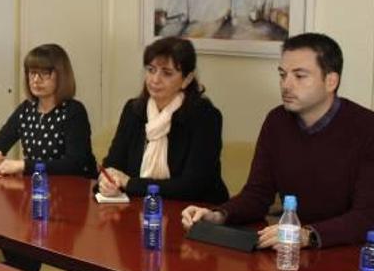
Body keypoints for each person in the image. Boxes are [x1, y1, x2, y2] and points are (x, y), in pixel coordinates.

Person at [182, 33, 374, 249]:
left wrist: (307, 235)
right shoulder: (277, 121)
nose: (286, 85)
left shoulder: (366, 128)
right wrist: (218, 215)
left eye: (299, 76)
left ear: (331, 81)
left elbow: (366, 216)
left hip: (352, 255)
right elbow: (257, 194)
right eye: (283, 75)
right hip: (290, 250)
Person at [99, 37, 229, 203]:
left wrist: (129, 183)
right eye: (151, 70)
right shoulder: (133, 110)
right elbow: (113, 165)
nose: (155, 80)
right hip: (137, 209)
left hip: (194, 213)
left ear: (187, 79)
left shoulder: (205, 117)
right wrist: (108, 182)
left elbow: (191, 186)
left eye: (166, 73)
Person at [0, 43, 97, 177]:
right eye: (32, 73)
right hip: (36, 188)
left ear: (62, 75)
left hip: (71, 189)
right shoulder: (26, 109)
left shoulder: (73, 111)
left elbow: (75, 164)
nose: (36, 80)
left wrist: (24, 165)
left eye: (44, 73)